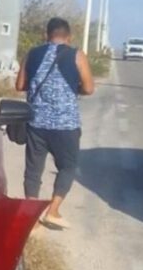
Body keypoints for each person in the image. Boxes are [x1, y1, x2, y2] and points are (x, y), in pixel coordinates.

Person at [15, 17, 95, 230]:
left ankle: (31, 217)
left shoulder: (32, 54)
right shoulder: (77, 55)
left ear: (46, 35)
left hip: (36, 123)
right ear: (69, 37)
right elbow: (89, 88)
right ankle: (53, 210)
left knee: (33, 170)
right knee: (67, 167)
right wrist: (73, 88)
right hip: (66, 125)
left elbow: (20, 85)